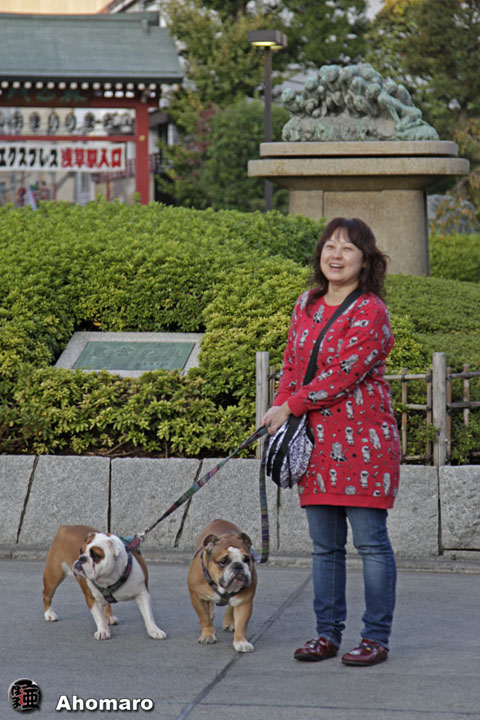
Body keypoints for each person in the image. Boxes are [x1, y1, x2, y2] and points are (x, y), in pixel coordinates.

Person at [262, 217, 401, 667]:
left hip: (365, 443)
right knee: (324, 548)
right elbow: (292, 365)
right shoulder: (305, 303)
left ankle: (375, 638)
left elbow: (344, 374)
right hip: (315, 446)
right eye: (329, 246)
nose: (336, 255)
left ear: (366, 260)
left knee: (371, 544)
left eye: (347, 248)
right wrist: (279, 408)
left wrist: (291, 405)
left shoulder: (371, 311)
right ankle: (327, 635)